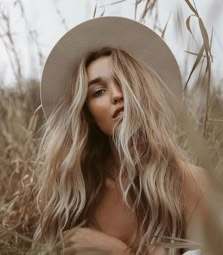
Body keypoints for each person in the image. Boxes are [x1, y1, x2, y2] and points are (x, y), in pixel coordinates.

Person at [6, 17, 207, 255]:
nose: (116, 96)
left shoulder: (193, 184)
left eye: (125, 82)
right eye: (98, 91)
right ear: (87, 114)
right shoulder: (74, 192)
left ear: (143, 92)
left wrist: (118, 252)